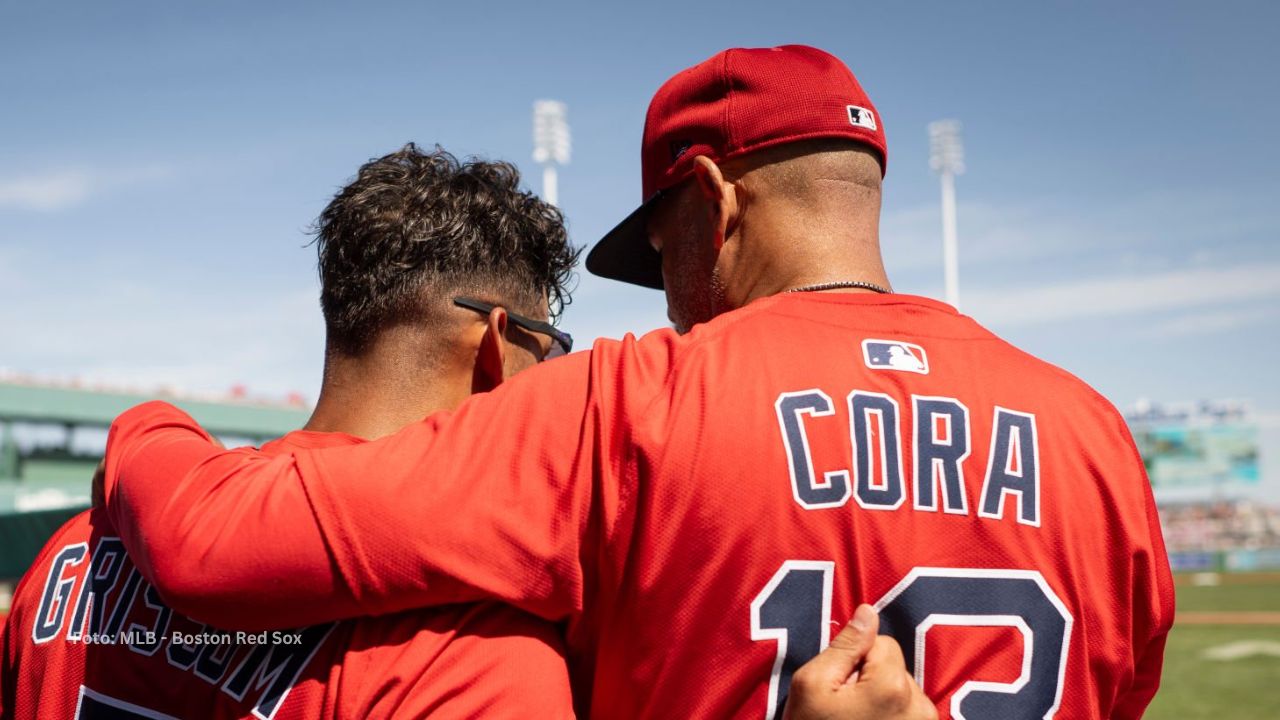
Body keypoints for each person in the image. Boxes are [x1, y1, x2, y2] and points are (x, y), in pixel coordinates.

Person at [91, 45, 1170, 719]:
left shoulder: (632, 400)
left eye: (661, 255)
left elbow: (208, 544)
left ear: (710, 197)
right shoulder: (1093, 435)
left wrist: (145, 426)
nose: (666, 296)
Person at [0, 144, 933, 720]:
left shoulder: (74, 558)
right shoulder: (470, 653)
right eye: (551, 346)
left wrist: (145, 430)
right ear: (498, 346)